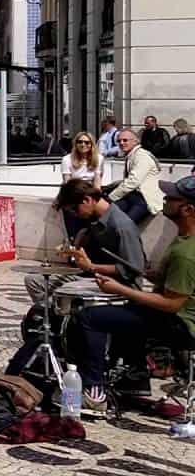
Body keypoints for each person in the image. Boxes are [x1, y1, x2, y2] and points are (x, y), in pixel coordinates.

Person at [76, 175, 195, 413]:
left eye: (172, 198)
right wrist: (155, 275)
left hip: (181, 324)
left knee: (89, 317)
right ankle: (134, 379)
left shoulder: (186, 252)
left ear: (188, 209)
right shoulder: (184, 239)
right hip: (180, 317)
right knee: (125, 310)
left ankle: (94, 391)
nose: (164, 199)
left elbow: (171, 304)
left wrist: (119, 288)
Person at [25, 179, 147, 304]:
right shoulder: (94, 218)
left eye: (75, 210)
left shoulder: (122, 226)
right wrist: (75, 250)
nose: (75, 215)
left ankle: (59, 317)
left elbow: (133, 269)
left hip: (115, 284)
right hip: (89, 277)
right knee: (34, 281)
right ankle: (54, 316)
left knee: (64, 296)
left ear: (87, 200)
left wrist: (91, 267)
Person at [109, 129, 163, 225]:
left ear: (135, 141)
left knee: (125, 225)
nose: (121, 143)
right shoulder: (133, 155)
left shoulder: (141, 156)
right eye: (119, 141)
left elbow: (132, 181)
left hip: (144, 199)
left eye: (125, 140)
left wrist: (112, 197)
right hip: (132, 196)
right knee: (110, 216)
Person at [61, 130, 104, 241]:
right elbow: (67, 182)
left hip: (90, 192)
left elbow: (97, 181)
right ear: (75, 144)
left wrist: (96, 198)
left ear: (92, 144)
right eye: (80, 142)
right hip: (73, 191)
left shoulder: (99, 158)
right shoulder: (67, 159)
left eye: (87, 142)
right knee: (71, 217)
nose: (83, 145)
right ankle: (73, 246)